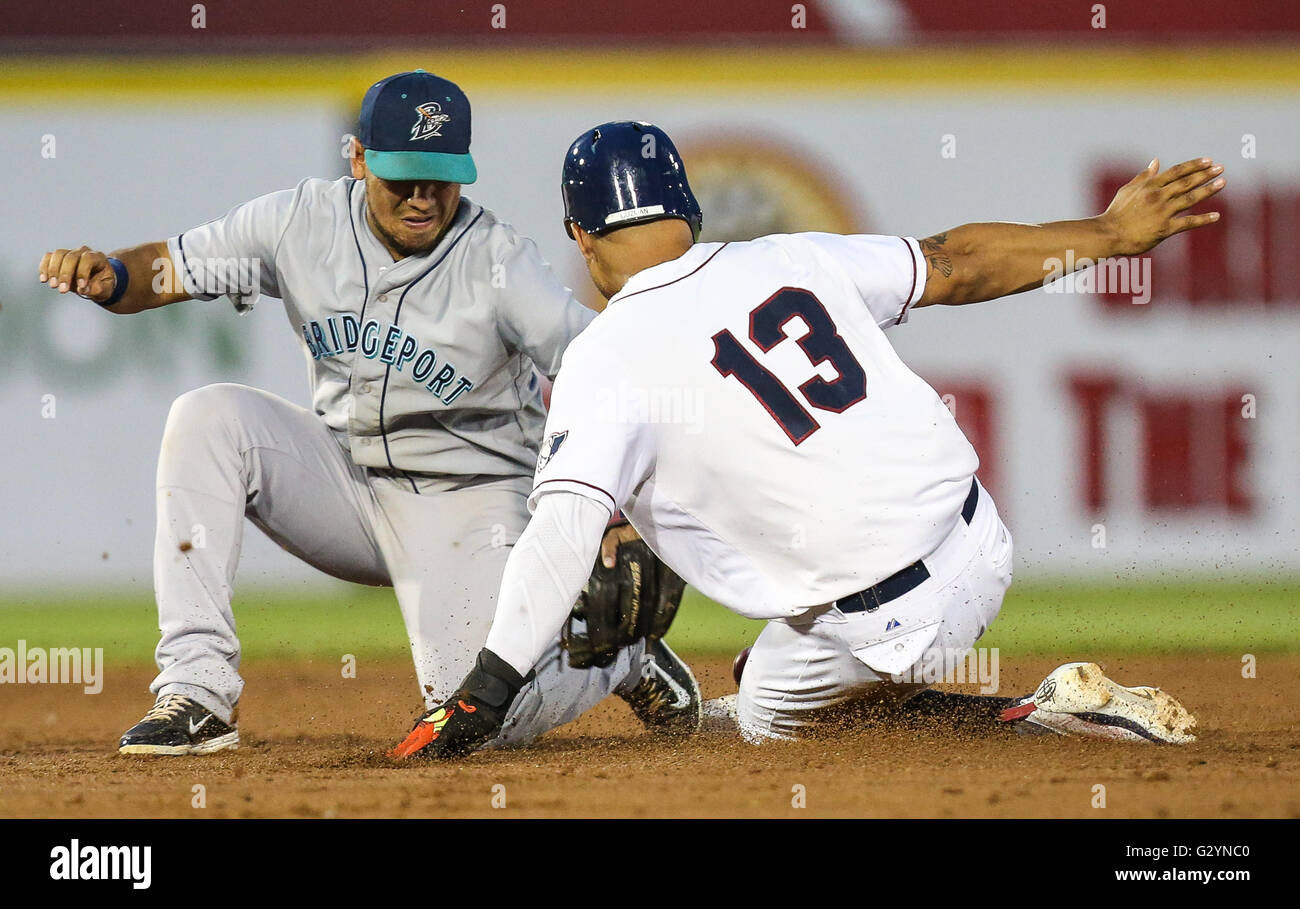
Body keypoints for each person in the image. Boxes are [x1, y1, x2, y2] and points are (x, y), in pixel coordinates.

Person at [391, 120, 1215, 758]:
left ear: (580, 233)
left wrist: (486, 690)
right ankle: (849, 679)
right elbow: (957, 263)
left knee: (767, 721)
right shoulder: (792, 255)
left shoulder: (602, 355)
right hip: (980, 536)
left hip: (889, 617)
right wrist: (1108, 236)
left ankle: (1048, 717)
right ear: (689, 211)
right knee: (767, 675)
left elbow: (562, 532)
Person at [38, 81, 700, 757]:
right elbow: (173, 267)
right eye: (404, 178)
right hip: (344, 479)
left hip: (469, 504)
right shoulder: (299, 223)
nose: (422, 197)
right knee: (207, 417)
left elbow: (602, 365)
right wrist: (114, 275)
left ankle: (619, 659)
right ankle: (197, 691)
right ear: (357, 160)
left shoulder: (498, 263)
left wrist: (617, 506)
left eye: (440, 179)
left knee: (469, 718)